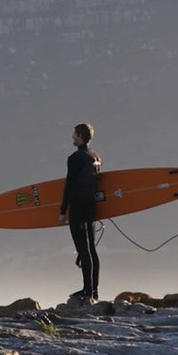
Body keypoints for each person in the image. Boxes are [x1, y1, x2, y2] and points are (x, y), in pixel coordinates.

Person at [60, 123, 101, 304]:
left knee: (83, 249)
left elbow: (69, 186)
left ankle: (86, 291)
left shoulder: (75, 158)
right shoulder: (95, 157)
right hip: (92, 207)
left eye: (74, 135)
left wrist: (63, 211)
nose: (72, 138)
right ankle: (94, 290)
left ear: (81, 136)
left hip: (77, 207)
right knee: (91, 248)